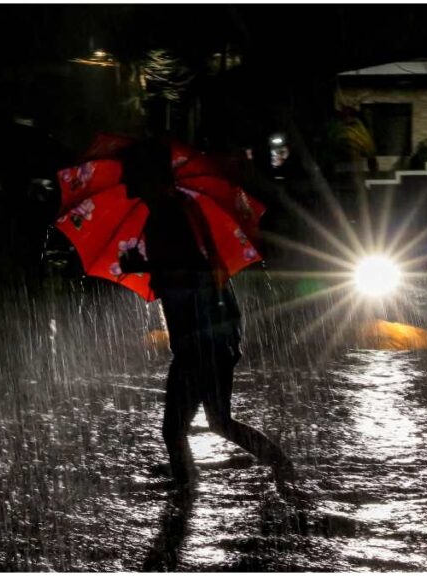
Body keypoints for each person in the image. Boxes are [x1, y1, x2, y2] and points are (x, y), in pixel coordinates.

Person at [119, 136, 295, 488]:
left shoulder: (169, 214)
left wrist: (145, 265)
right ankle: (281, 467)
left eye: (130, 172)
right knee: (218, 421)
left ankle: (184, 493)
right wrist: (150, 266)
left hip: (201, 338)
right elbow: (193, 268)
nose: (125, 180)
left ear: (149, 175)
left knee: (175, 429)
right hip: (212, 333)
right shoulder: (176, 208)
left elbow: (192, 271)